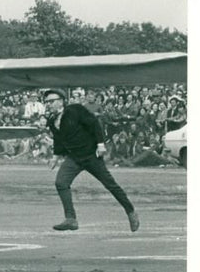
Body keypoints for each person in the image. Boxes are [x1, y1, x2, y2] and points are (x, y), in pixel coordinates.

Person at [43, 88, 139, 232]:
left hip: (91, 155)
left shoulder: (75, 110)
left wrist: (100, 144)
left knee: (110, 185)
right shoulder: (52, 120)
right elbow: (58, 140)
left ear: (61, 101)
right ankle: (71, 219)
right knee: (61, 183)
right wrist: (55, 157)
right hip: (74, 158)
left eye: (51, 101)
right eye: (47, 102)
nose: (48, 104)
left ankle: (130, 211)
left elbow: (94, 123)